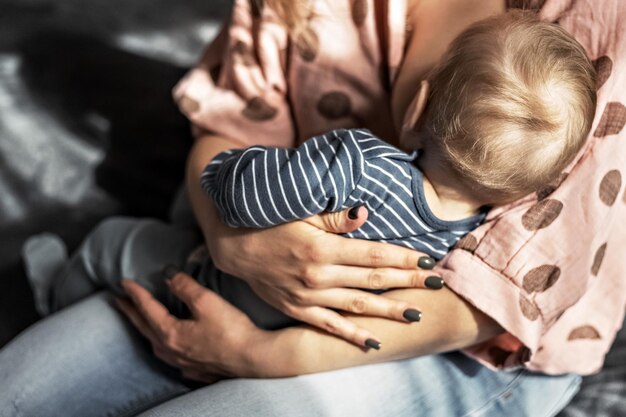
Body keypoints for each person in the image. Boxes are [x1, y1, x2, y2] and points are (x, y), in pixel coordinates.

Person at [1, 0, 624, 416]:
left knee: (119, 247)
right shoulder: (468, 220)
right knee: (17, 389)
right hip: (263, 285)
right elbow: (229, 120)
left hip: (466, 348)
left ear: (418, 108)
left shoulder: (359, 161)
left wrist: (261, 355)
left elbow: (516, 295)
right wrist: (231, 244)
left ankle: (66, 275)